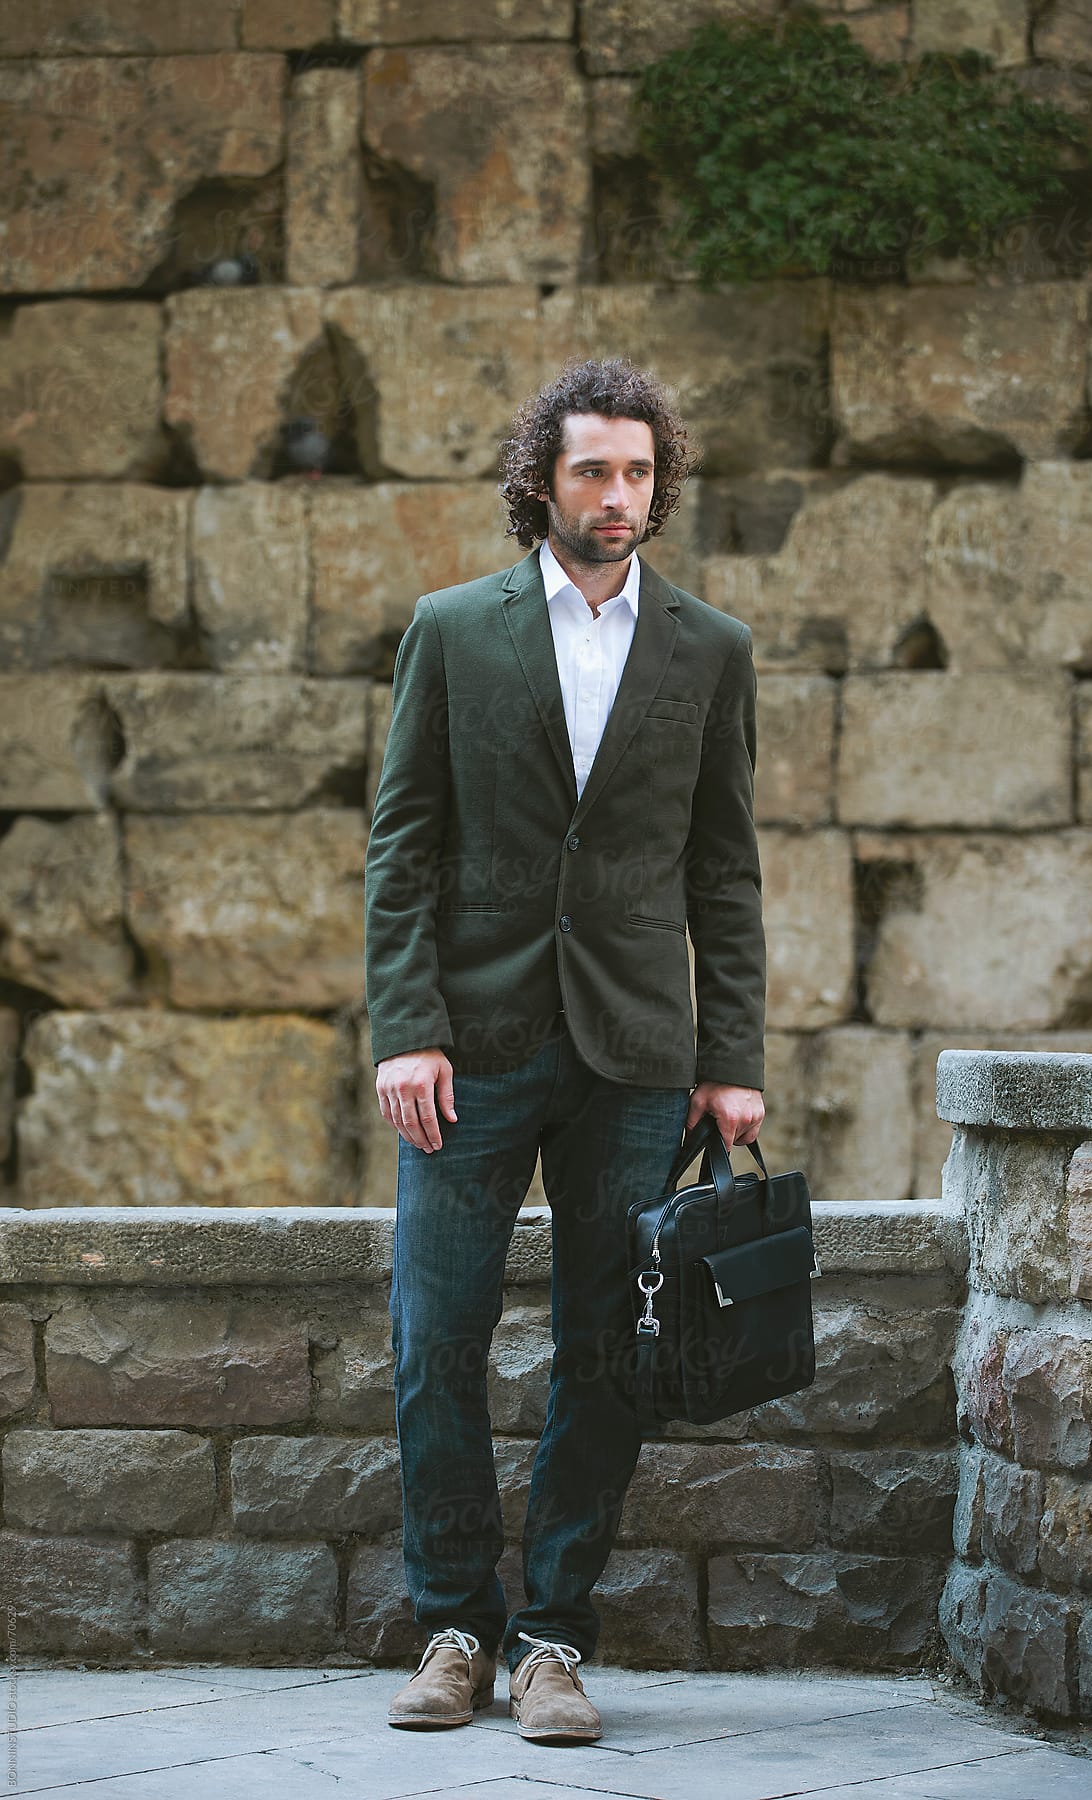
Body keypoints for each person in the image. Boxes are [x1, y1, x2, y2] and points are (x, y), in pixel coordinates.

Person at [364, 357, 767, 1746]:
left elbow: (726, 871)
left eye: (640, 472)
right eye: (593, 469)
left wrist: (732, 1055)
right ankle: (453, 1629)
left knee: (609, 1350)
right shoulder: (452, 629)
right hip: (466, 1052)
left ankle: (552, 1641)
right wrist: (405, 1028)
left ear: (662, 484)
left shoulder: (710, 648)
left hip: (637, 1054)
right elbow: (403, 843)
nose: (619, 495)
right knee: (435, 1338)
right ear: (543, 477)